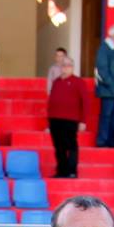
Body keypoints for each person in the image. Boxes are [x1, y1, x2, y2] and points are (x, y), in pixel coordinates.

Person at [46, 47, 83, 179]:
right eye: (63, 66)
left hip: (71, 119)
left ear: (72, 67)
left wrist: (83, 121)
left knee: (71, 145)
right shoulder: (56, 82)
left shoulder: (78, 82)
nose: (65, 68)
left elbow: (85, 102)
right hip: (55, 119)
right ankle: (61, 171)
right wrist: (49, 119)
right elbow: (51, 100)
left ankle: (72, 171)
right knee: (58, 146)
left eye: (68, 66)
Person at [93, 25, 114, 150]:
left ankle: (112, 141)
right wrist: (110, 83)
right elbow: (102, 69)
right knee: (106, 116)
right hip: (108, 90)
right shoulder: (105, 48)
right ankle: (102, 140)